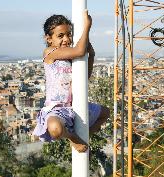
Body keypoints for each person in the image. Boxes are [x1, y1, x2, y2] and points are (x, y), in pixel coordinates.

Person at [33, 10, 110, 153]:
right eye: (60, 36)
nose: (66, 39)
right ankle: (72, 137)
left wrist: (91, 56)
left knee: (105, 113)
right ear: (49, 39)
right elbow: (80, 51)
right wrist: (87, 26)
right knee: (55, 129)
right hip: (58, 108)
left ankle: (84, 134)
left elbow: (83, 78)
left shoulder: (70, 59)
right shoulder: (50, 52)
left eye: (69, 34)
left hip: (75, 106)